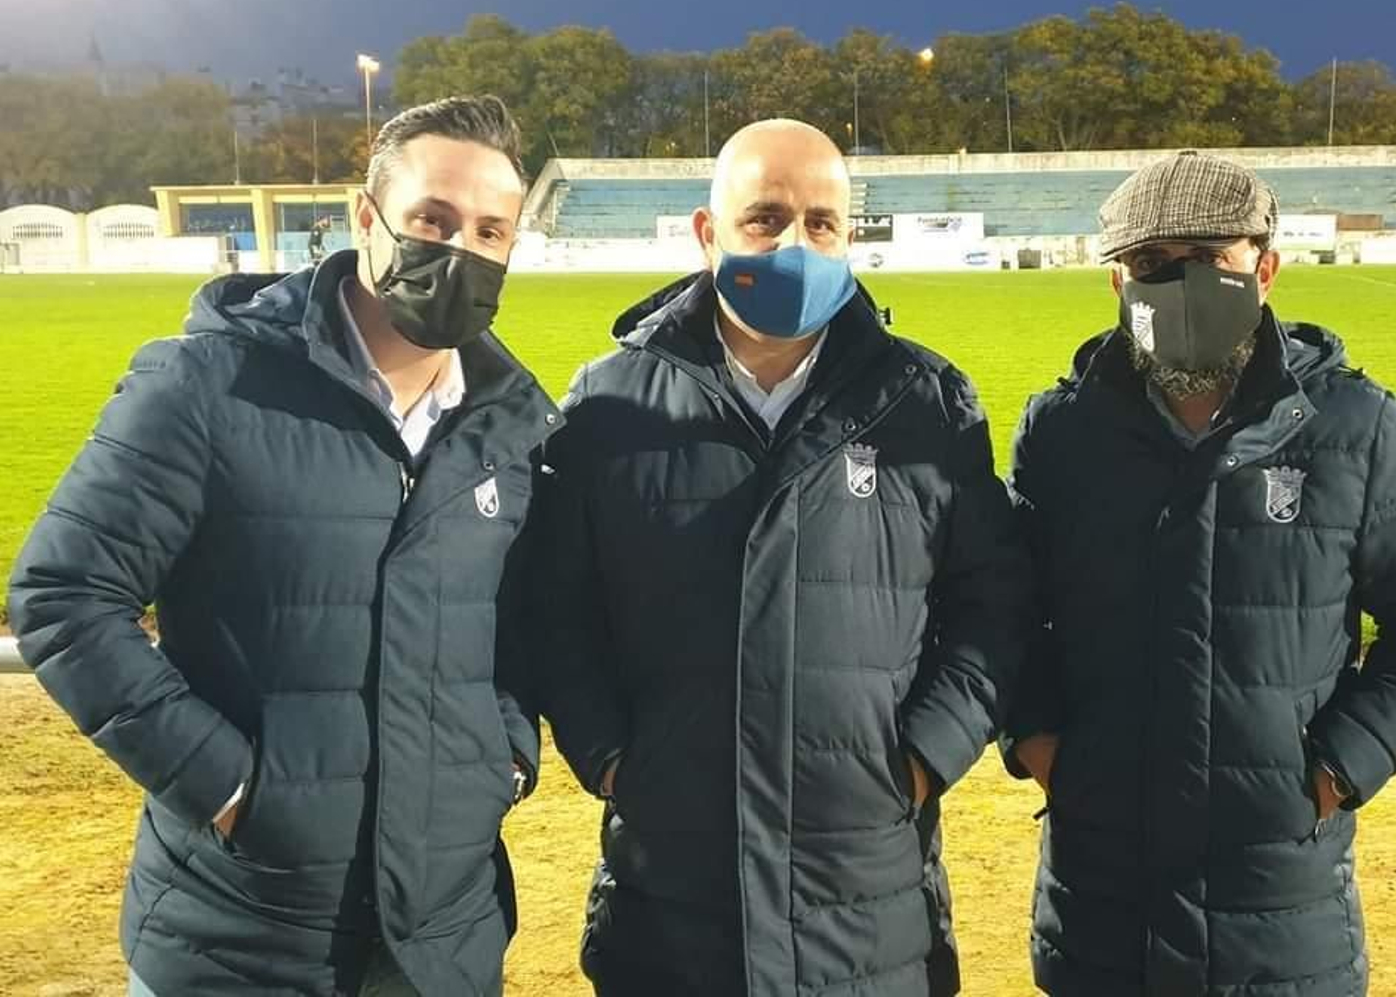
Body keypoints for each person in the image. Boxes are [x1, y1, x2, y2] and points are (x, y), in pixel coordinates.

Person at [9, 95, 559, 996]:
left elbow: (526, 625)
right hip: (239, 937)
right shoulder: (205, 384)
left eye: (490, 230)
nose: (461, 247)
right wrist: (229, 788)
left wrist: (501, 758)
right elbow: (63, 594)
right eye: (433, 217)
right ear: (366, 218)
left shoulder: (513, 427)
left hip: (442, 941)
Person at [532, 118, 1031, 996]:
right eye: (765, 218)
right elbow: (556, 614)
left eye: (822, 221)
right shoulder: (607, 406)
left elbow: (993, 605)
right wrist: (612, 757)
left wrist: (922, 758)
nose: (797, 242)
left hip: (870, 903)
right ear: (706, 232)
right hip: (668, 905)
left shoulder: (927, 401)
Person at [1002, 151, 1396, 997]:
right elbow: (1010, 611)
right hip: (1102, 915)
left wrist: (1336, 770)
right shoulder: (1061, 432)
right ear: (1117, 284)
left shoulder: (1357, 425)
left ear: (1265, 266)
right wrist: (1041, 744)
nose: (1178, 285)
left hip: (1282, 918)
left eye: (1209, 261)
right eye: (1152, 265)